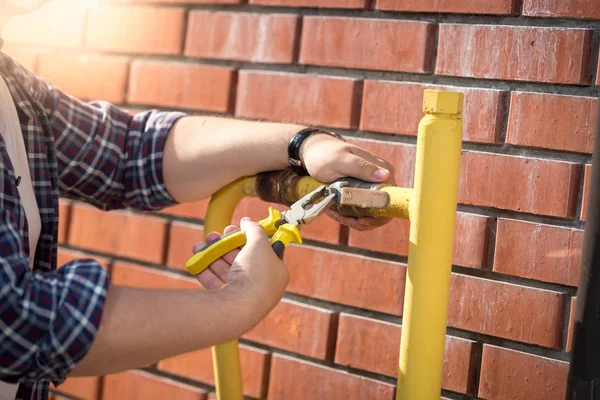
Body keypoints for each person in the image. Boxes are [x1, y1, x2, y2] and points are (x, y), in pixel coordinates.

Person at [0, 1, 395, 399]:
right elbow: (12, 322)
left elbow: (128, 151)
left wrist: (305, 145)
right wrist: (239, 305)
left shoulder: (10, 86)